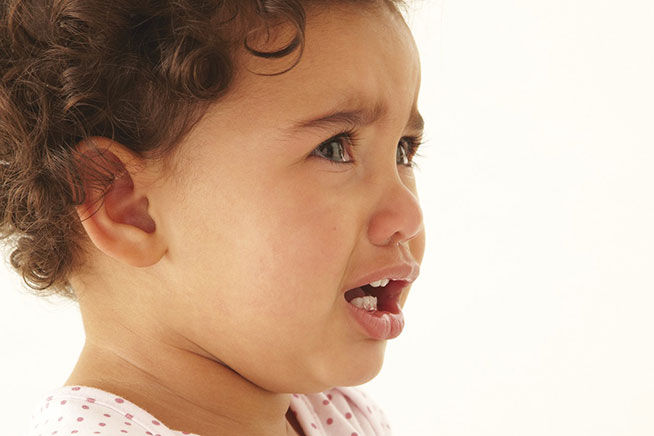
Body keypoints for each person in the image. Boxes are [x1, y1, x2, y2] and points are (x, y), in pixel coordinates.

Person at [0, 0, 426, 434]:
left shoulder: (340, 416)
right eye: (334, 147)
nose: (408, 215)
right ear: (127, 208)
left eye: (403, 150)